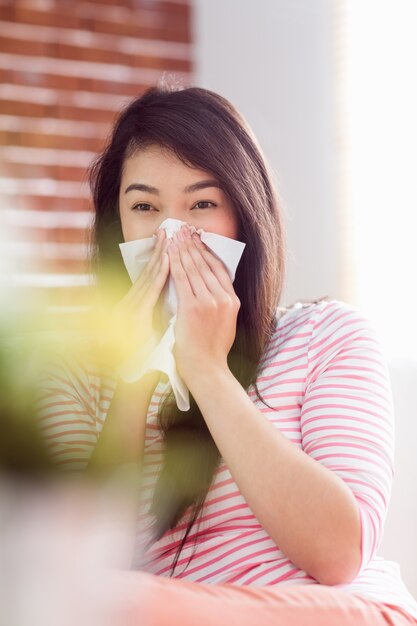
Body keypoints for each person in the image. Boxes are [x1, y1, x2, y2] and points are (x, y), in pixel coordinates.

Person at [37, 81, 417, 625]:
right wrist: (135, 376)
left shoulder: (326, 336)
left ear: (244, 216)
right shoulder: (73, 378)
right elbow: (68, 571)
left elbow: (338, 555)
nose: (173, 235)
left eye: (202, 204)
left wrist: (208, 372)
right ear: (114, 225)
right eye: (145, 206)